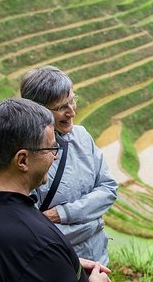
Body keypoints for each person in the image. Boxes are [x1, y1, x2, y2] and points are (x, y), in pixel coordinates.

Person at [0, 98, 110, 282]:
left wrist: (66, 262)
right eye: (50, 148)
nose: (55, 156)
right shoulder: (37, 242)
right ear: (22, 160)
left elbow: (8, 267)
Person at [20, 66, 118, 265]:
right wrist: (94, 222)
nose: (71, 111)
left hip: (98, 257)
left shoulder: (82, 136)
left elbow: (108, 189)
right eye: (61, 107)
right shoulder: (29, 156)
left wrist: (62, 214)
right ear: (37, 110)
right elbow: (33, 229)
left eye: (72, 100)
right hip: (57, 263)